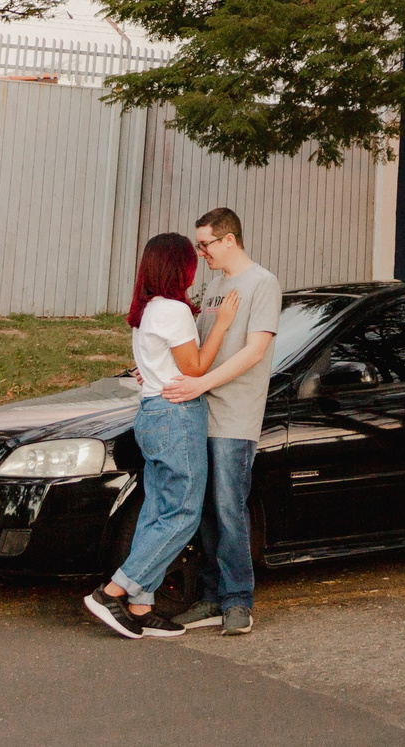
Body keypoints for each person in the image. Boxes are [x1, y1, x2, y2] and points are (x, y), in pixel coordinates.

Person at [84, 232, 239, 641]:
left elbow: (159, 366)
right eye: (193, 258)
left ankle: (140, 604)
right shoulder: (173, 309)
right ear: (180, 267)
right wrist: (222, 324)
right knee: (183, 513)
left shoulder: (149, 309)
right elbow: (195, 369)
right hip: (177, 415)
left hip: (153, 413)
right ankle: (113, 591)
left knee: (157, 510)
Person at [160, 206, 279, 636]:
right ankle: (211, 597)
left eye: (206, 243)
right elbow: (197, 346)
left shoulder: (262, 283)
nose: (201, 252)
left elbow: (254, 352)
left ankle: (237, 602)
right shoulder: (214, 286)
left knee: (230, 509)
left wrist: (202, 383)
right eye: (199, 245)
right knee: (206, 511)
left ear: (229, 239)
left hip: (234, 417)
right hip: (198, 412)